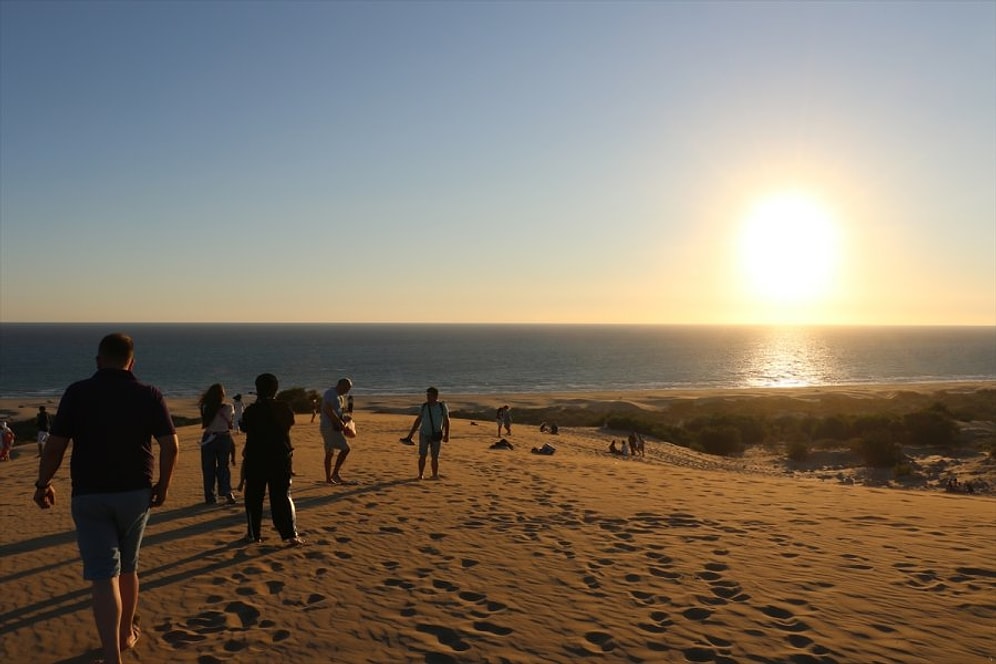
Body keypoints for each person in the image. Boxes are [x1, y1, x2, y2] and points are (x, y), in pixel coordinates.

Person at [32, 333, 179, 664]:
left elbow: (55, 446)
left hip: (90, 495)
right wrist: (163, 486)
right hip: (135, 495)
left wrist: (43, 484)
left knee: (103, 576)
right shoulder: (149, 395)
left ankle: (113, 656)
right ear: (132, 362)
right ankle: (126, 634)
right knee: (128, 568)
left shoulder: (77, 392)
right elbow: (171, 445)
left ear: (98, 361)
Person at [240, 373, 303, 545]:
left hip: (256, 458)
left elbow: (244, 426)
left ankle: (254, 534)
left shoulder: (252, 410)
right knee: (281, 496)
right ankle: (290, 534)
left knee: (254, 497)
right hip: (280, 458)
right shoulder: (283, 407)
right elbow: (290, 423)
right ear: (275, 389)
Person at [198, 383, 237, 505]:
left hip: (209, 437)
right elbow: (230, 421)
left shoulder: (205, 407)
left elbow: (205, 421)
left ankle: (210, 496)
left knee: (208, 468)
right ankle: (226, 491)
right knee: (223, 466)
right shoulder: (228, 407)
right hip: (224, 437)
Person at [401, 387, 450, 480]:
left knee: (435, 457)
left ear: (435, 396)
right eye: (427, 395)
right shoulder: (424, 406)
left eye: (429, 395)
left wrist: (446, 435)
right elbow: (418, 420)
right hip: (424, 434)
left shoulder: (441, 406)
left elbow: (446, 421)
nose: (428, 397)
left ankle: (434, 475)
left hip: (436, 435)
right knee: (422, 455)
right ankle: (420, 475)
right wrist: (410, 435)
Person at [320, 377, 354, 485]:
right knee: (345, 448)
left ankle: (329, 478)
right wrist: (340, 423)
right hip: (329, 427)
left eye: (349, 388)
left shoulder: (340, 397)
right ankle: (334, 474)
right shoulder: (331, 393)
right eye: (347, 387)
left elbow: (338, 412)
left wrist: (344, 418)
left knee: (330, 452)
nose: (347, 390)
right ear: (340, 385)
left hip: (332, 427)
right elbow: (327, 409)